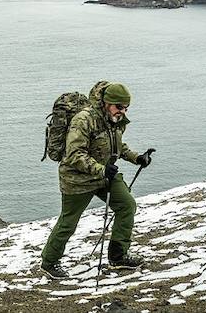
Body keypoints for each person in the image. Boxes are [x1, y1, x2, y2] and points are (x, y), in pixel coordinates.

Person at [40, 82, 153, 278]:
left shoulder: (114, 119)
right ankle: (49, 262)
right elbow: (74, 155)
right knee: (68, 222)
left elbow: (116, 144)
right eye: (119, 107)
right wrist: (101, 169)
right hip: (78, 180)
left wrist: (136, 158)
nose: (123, 111)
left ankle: (118, 257)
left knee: (127, 205)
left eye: (126, 107)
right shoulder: (83, 120)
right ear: (107, 103)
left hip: (104, 176)